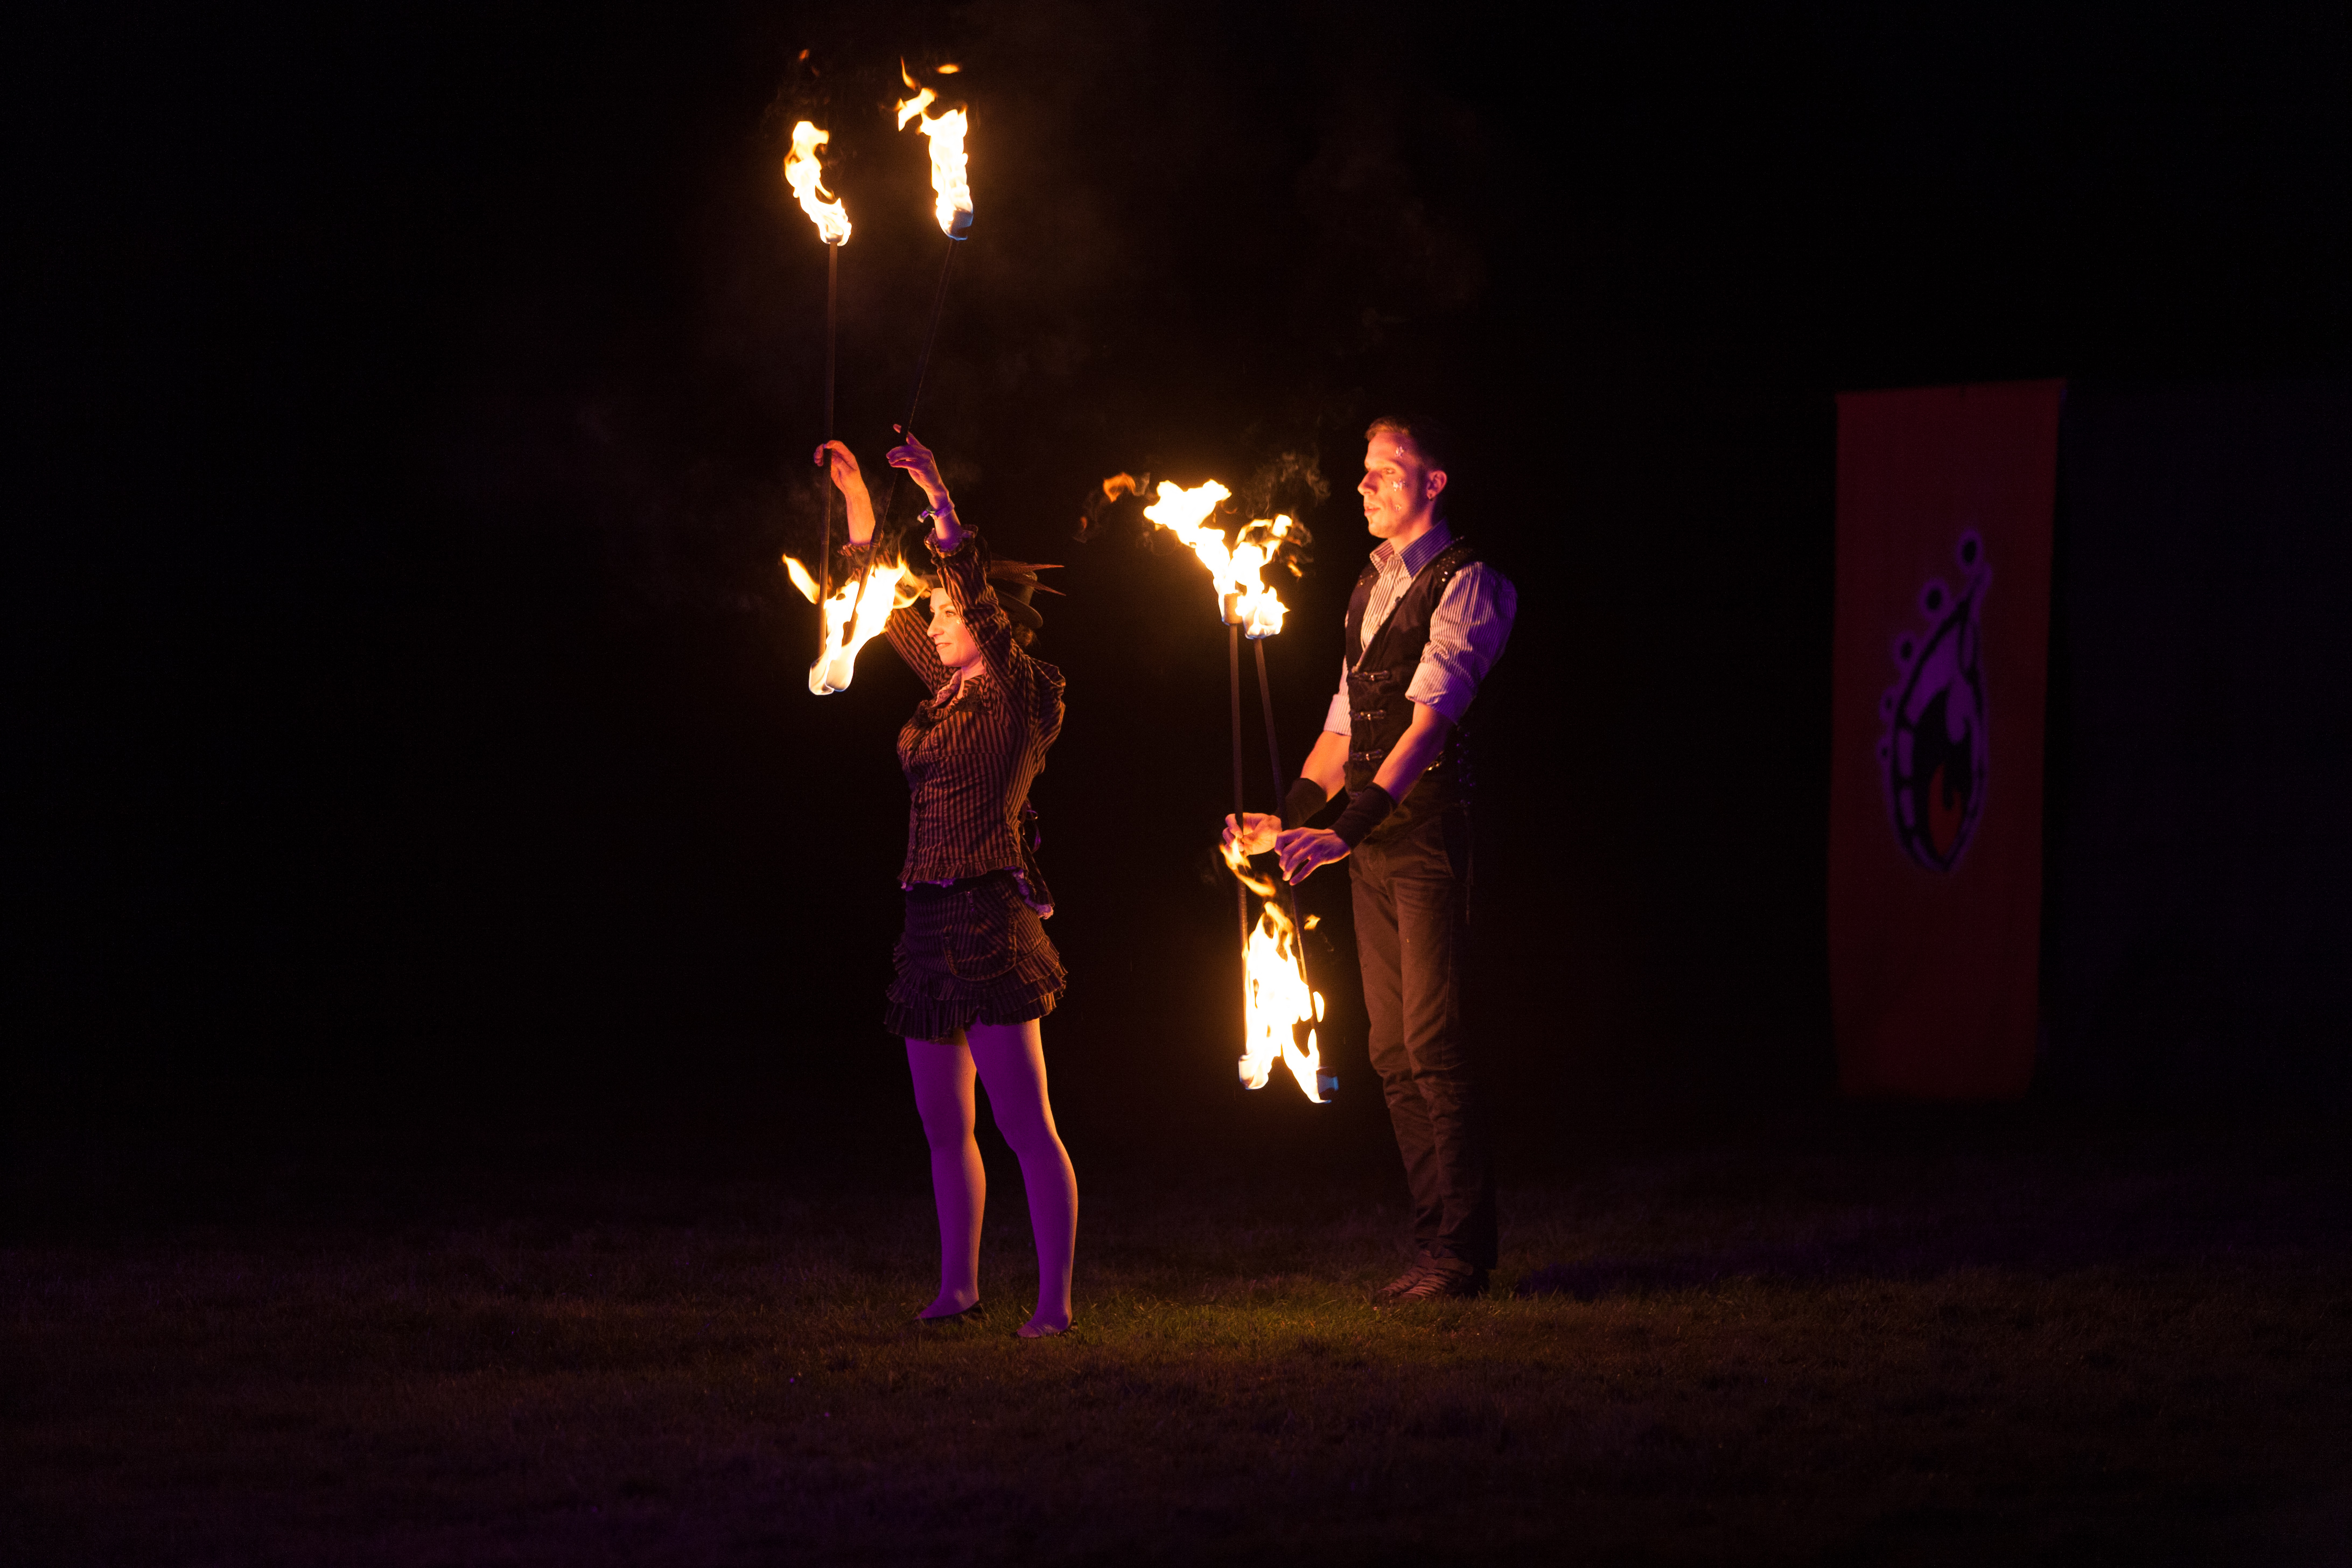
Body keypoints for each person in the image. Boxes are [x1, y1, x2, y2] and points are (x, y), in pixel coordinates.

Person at [1223, 415, 1517, 1302]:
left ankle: (1462, 1253)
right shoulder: (1369, 584)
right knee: (1389, 1049)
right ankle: (1433, 1246)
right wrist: (1288, 819)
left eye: (1386, 471)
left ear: (1433, 482)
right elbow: (1343, 729)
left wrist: (1345, 830)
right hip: (1374, 837)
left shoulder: (1471, 583)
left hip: (1427, 835)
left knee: (1433, 1042)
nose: (1364, 486)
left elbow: (1427, 728)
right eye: (1363, 472)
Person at [816, 429, 1078, 1339]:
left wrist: (936, 493)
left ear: (987, 625)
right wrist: (859, 500)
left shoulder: (1019, 697)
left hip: (991, 924)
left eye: (947, 613)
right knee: (943, 1128)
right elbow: (877, 602)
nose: (932, 623)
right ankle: (958, 1288)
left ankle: (1053, 1305)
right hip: (926, 925)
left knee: (1026, 1127)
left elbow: (970, 595)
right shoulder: (947, 693)